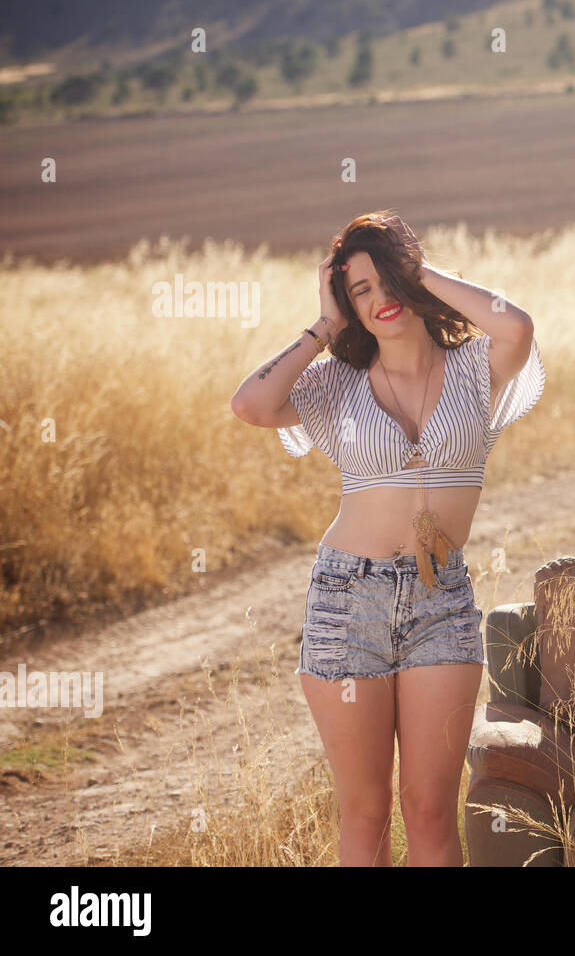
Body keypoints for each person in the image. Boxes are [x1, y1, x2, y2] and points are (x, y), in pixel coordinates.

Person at [229, 210, 544, 865]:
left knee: (430, 809)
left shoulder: (476, 369)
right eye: (360, 290)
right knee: (366, 811)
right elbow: (251, 405)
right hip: (348, 602)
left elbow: (517, 325)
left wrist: (414, 272)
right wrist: (324, 325)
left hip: (440, 602)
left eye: (387, 280)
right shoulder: (334, 385)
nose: (380, 299)